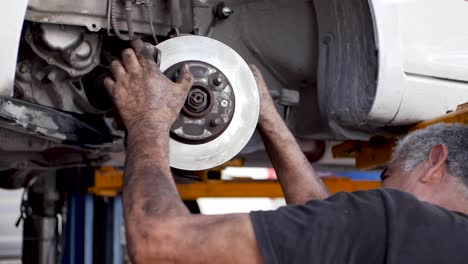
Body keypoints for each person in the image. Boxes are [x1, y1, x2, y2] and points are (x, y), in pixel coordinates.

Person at [104, 39, 468, 264]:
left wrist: (147, 119)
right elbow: (335, 228)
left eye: (387, 176)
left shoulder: (399, 223)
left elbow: (159, 240)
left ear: (433, 163)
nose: (382, 191)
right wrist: (269, 118)